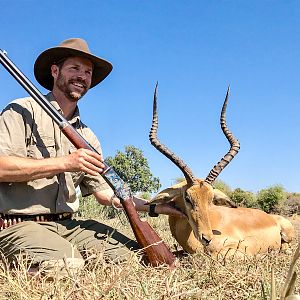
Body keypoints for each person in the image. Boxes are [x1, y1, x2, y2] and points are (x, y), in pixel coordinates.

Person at [0, 38, 184, 275]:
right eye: (74, 68)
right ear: (55, 72)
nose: (82, 76)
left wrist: (157, 208)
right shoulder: (21, 110)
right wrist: (65, 163)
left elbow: (106, 193)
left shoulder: (88, 137)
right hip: (19, 226)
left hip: (67, 225)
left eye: (87, 72)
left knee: (134, 260)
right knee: (67, 268)